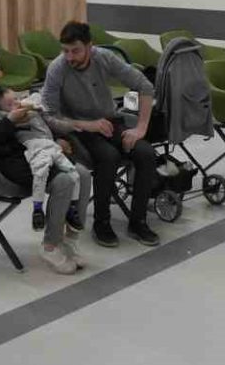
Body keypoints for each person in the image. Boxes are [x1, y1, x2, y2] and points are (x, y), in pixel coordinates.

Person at [0, 46, 90, 274]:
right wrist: (11, 121)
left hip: (23, 152)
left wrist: (45, 135)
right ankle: (50, 245)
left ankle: (70, 239)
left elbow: (22, 128)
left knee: (82, 174)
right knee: (64, 181)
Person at [41, 21, 159, 247]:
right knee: (108, 157)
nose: (69, 57)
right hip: (78, 129)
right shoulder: (57, 69)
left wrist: (141, 128)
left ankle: (138, 222)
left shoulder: (104, 57)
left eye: (75, 51)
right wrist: (87, 125)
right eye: (65, 51)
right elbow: (49, 116)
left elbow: (145, 86)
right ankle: (101, 222)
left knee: (146, 153)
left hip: (109, 121)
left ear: (89, 46)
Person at [0, 88, 82, 233]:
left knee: (76, 173)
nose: (16, 103)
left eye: (16, 99)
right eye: (10, 104)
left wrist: (36, 105)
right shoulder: (5, 117)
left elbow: (44, 112)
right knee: (42, 173)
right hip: (36, 148)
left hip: (52, 146)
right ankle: (38, 210)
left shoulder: (30, 109)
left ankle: (72, 208)